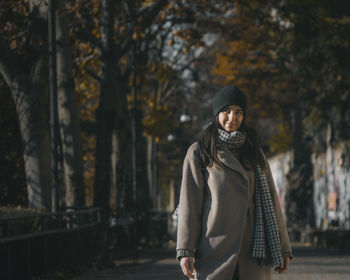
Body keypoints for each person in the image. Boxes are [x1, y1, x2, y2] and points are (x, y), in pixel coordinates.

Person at [176, 85, 293, 280]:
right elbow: (190, 204)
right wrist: (185, 250)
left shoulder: (254, 151)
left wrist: (283, 248)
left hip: (253, 249)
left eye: (238, 112)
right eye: (226, 111)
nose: (233, 117)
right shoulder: (199, 152)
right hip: (214, 248)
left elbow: (272, 200)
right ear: (216, 114)